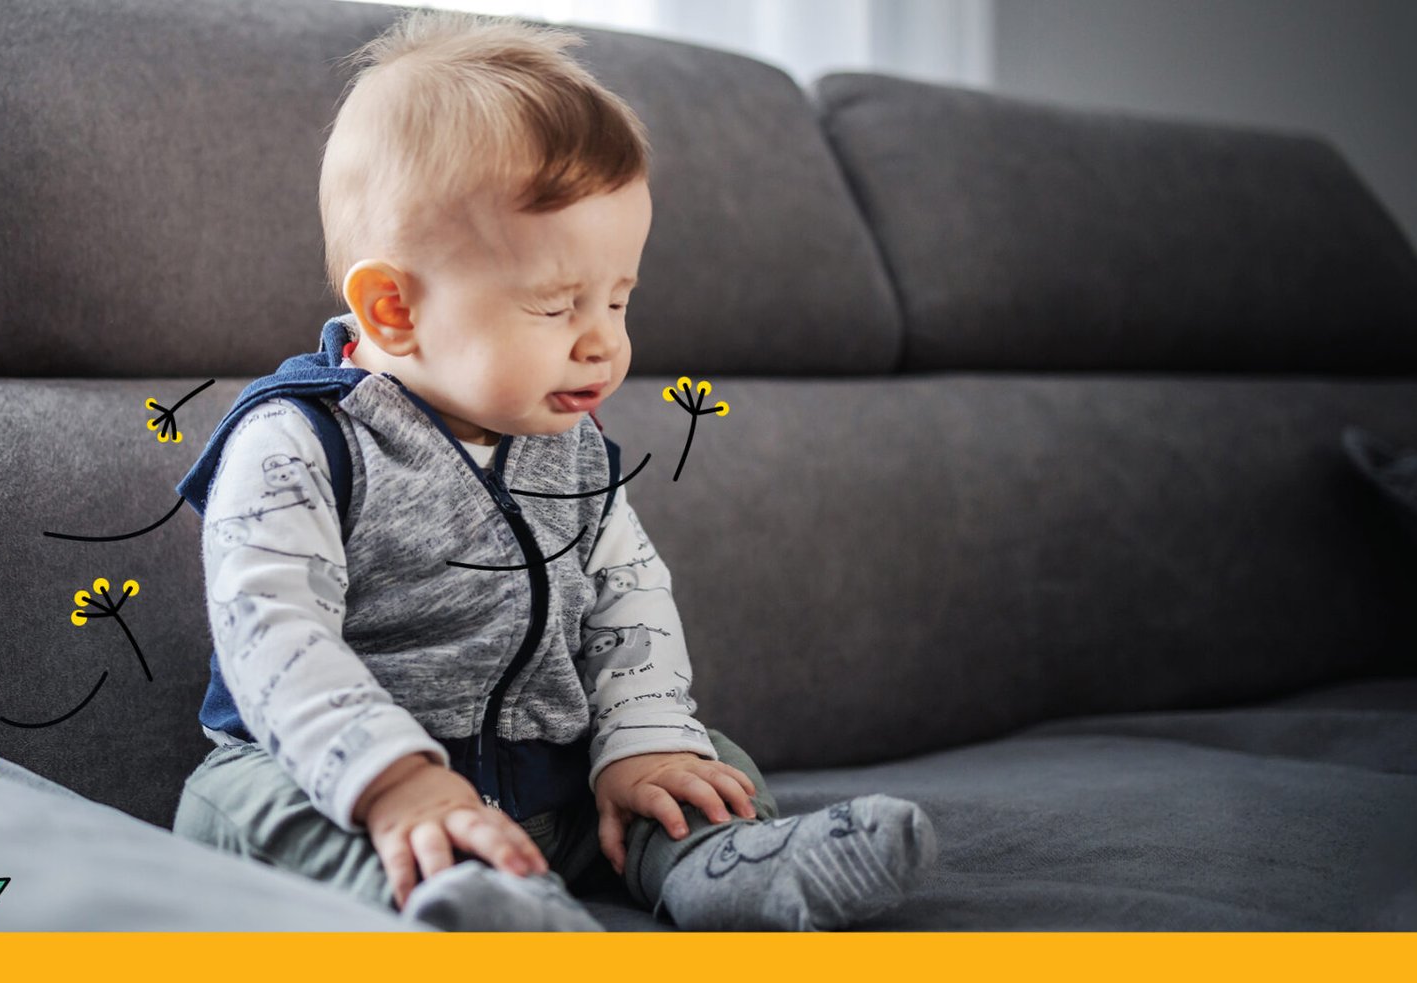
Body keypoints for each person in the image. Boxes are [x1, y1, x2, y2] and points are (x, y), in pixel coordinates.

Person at [169, 9, 934, 931]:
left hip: (543, 786)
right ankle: (473, 907)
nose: (603, 344)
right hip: (329, 775)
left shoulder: (570, 446)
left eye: (618, 300)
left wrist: (643, 746)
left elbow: (628, 597)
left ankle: (716, 863)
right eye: (556, 306)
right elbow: (273, 635)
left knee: (698, 760)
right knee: (260, 812)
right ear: (394, 308)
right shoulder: (298, 443)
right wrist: (396, 781)